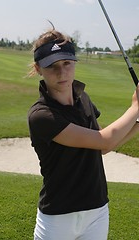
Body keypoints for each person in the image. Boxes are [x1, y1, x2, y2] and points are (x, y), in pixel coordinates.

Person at [28, 26, 139, 240]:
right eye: (52, 66)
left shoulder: (83, 99)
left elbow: (103, 148)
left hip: (96, 210)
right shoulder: (41, 115)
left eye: (67, 63)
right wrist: (135, 107)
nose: (62, 72)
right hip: (58, 217)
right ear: (39, 68)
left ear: (74, 62)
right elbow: (104, 141)